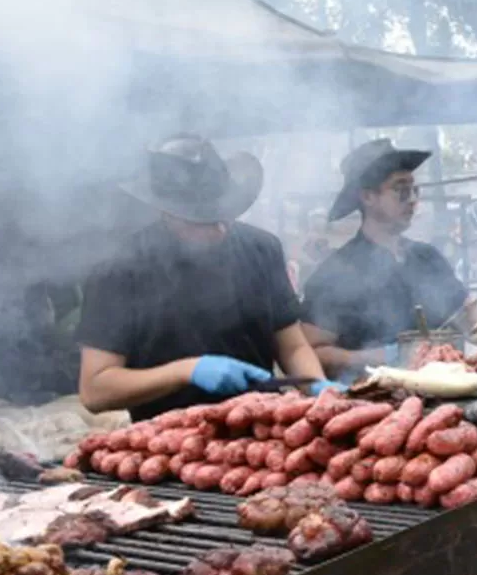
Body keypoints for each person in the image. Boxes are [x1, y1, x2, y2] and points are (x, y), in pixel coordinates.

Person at [76, 135, 332, 421]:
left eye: (224, 213)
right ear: (167, 211)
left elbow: (293, 345)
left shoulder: (262, 249)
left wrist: (319, 389)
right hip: (169, 442)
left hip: (262, 430)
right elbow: (95, 390)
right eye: (202, 219)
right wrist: (188, 371)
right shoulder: (118, 270)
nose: (219, 228)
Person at [301, 139, 477, 378]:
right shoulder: (334, 274)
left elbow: (467, 318)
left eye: (414, 190)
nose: (413, 200)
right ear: (368, 197)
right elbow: (311, 351)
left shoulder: (428, 258)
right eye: (401, 190)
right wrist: (375, 357)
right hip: (375, 402)